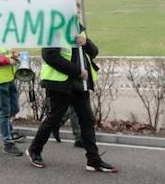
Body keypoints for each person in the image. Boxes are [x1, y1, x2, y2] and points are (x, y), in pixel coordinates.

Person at [27, 31, 118, 172]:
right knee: (54, 119)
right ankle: (34, 149)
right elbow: (49, 55)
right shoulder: (54, 28)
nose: (76, 10)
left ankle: (93, 159)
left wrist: (86, 43)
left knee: (87, 119)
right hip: (60, 84)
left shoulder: (78, 27)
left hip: (79, 84)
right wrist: (77, 71)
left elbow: (93, 52)